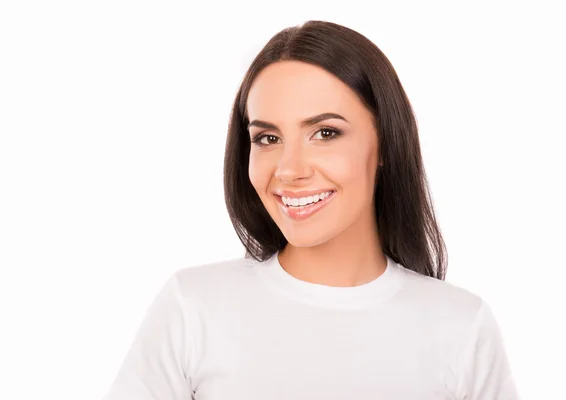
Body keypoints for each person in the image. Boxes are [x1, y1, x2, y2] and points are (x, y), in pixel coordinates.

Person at [104, 20, 520, 399]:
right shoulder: (193, 308)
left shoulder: (462, 327)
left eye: (325, 133)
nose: (289, 170)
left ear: (386, 144)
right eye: (268, 139)